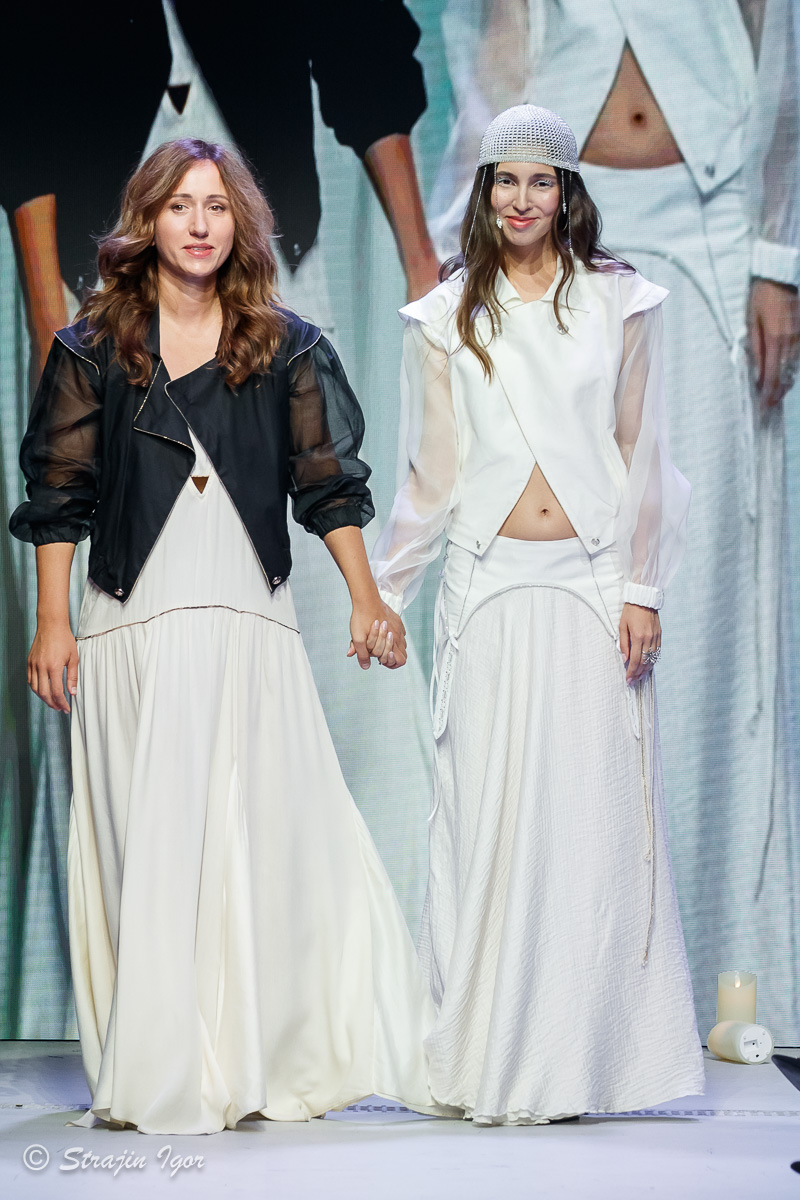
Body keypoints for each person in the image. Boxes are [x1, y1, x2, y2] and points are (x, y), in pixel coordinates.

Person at [8, 137, 444, 1135]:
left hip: (249, 621)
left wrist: (368, 598)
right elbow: (59, 494)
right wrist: (51, 623)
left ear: (238, 221)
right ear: (147, 219)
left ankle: (251, 1060)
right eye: (179, 205)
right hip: (132, 623)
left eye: (215, 205)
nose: (199, 223)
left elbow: (326, 484)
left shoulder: (285, 346)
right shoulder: (91, 347)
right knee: (151, 843)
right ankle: (163, 1068)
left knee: (262, 841)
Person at [427, 0, 800, 1040]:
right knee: (567, 599)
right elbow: (492, 50)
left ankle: (712, 960)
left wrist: (777, 254)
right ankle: (564, 974)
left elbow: (780, 54)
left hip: (707, 224)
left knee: (698, 596)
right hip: (557, 230)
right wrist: (472, 244)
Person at [371, 105, 705, 1124]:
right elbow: (431, 473)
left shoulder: (618, 301)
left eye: (541, 180)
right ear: (483, 192)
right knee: (487, 824)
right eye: (505, 180)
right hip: (485, 591)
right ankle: (485, 1057)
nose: (522, 199)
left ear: (567, 192)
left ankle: (581, 1065)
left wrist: (641, 587)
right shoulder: (446, 315)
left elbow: (643, 449)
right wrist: (387, 592)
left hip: (590, 587)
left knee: (591, 828)